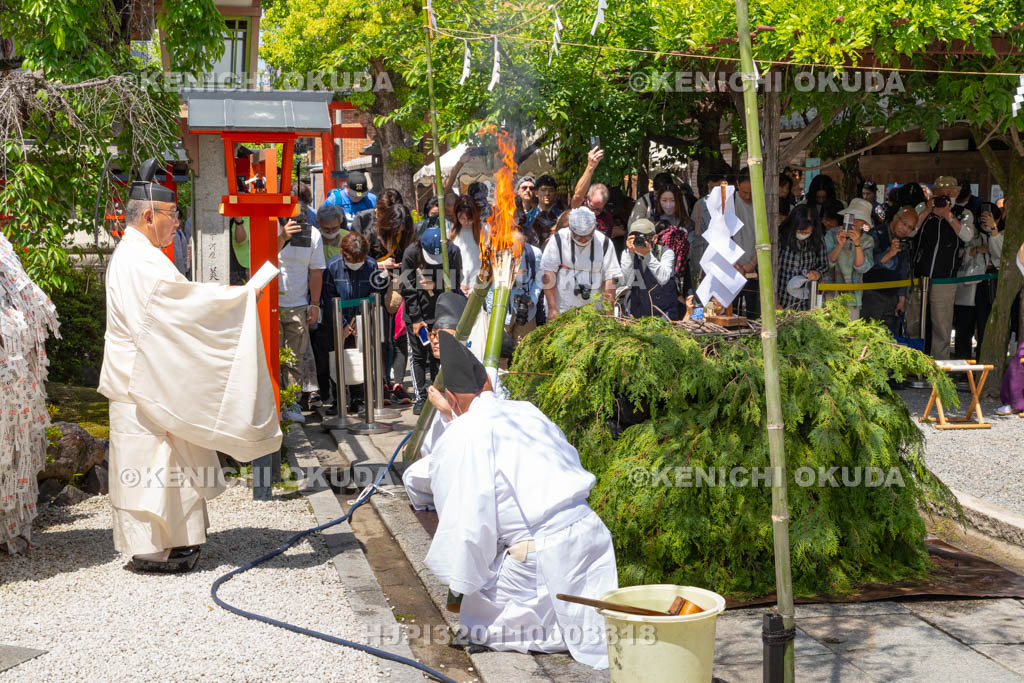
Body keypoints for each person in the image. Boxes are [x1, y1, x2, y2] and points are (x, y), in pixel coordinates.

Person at [98, 159, 281, 572]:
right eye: (172, 216)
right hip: (142, 378)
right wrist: (233, 299)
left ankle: (178, 540)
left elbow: (177, 303)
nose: (176, 225)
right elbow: (177, 308)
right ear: (148, 216)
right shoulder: (139, 258)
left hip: (149, 374)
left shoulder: (140, 254)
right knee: (152, 461)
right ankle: (154, 546)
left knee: (171, 456)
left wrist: (227, 298)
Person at [420, 332, 617, 668]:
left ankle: (543, 633)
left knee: (476, 622)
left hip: (541, 553)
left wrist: (467, 573)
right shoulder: (526, 410)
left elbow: (468, 517)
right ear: (487, 385)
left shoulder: (465, 434)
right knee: (587, 621)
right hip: (592, 536)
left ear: (451, 400)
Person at [401, 291, 471, 510]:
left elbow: (480, 426)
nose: (435, 340)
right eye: (433, 334)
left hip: (469, 457)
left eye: (443, 335)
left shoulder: (475, 370)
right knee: (412, 476)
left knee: (415, 476)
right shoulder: (443, 368)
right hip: (444, 452)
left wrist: (448, 410)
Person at [907, 175, 975, 359]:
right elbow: (910, 231)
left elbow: (968, 237)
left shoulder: (963, 213)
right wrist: (926, 212)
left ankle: (939, 367)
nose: (943, 197)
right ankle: (913, 363)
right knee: (914, 322)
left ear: (956, 194)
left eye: (948, 193)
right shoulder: (923, 209)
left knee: (941, 325)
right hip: (919, 277)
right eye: (939, 193)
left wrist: (949, 216)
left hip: (946, 277)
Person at [400, 226, 463, 415]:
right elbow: (407, 288)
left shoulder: (453, 252)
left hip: (442, 311)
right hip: (417, 312)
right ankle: (420, 396)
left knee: (440, 355)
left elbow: (456, 282)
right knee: (419, 356)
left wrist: (439, 285)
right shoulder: (411, 253)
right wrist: (416, 318)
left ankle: (439, 394)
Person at [321, 232, 385, 415]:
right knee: (336, 358)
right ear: (343, 253)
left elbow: (374, 293)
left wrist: (359, 321)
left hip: (362, 318)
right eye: (351, 259)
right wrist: (342, 324)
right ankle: (338, 398)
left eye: (359, 259)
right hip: (337, 320)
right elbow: (329, 297)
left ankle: (358, 398)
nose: (355, 263)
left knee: (361, 357)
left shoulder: (371, 265)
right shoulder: (332, 267)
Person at [277, 201, 326, 424]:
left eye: (300, 219)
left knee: (295, 356)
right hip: (271, 301)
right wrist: (282, 238)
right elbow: (260, 257)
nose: (296, 223)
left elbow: (316, 271)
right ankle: (273, 402)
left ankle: (291, 402)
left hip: (298, 302)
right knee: (272, 355)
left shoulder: (313, 234)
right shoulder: (271, 228)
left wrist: (314, 303)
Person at [540, 207, 621, 317]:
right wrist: (552, 308)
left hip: (594, 312)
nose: (583, 239)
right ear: (570, 228)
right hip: (562, 309)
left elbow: (610, 279)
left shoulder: (605, 243)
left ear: (594, 229)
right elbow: (548, 274)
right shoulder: (558, 240)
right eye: (578, 236)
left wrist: (608, 312)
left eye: (588, 236)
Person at [307, 203, 348, 409]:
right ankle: (324, 393)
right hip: (317, 300)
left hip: (342, 300)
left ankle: (343, 393)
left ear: (340, 223)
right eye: (326, 229)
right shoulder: (312, 239)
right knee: (320, 351)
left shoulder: (348, 238)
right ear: (318, 224)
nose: (331, 233)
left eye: (334, 228)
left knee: (340, 349)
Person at [953, 201, 1003, 359]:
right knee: (964, 327)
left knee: (985, 328)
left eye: (989, 217)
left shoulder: (1001, 234)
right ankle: (962, 366)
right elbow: (960, 254)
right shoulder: (971, 232)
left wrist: (993, 230)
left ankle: (983, 364)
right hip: (967, 284)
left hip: (989, 285)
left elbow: (1000, 257)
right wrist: (974, 250)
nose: (985, 221)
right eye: (982, 218)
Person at [862, 206, 917, 336]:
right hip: (872, 294)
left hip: (892, 297)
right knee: (868, 335)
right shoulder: (875, 234)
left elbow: (904, 270)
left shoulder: (905, 242)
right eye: (904, 224)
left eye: (911, 228)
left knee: (889, 338)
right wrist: (889, 253)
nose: (906, 230)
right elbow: (866, 264)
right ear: (895, 218)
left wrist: (902, 300)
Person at [824, 199, 876, 319]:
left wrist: (857, 244)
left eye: (859, 220)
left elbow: (862, 268)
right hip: (830, 291)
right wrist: (840, 245)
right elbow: (826, 263)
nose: (854, 222)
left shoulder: (867, 240)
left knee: (850, 334)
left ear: (864, 223)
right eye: (852, 218)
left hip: (853, 297)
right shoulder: (832, 234)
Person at [619, 218, 679, 320]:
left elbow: (663, 278)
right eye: (636, 237)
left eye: (643, 237)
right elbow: (626, 283)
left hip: (664, 314)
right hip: (638, 314)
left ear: (654, 239)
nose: (639, 241)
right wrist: (630, 254)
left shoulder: (666, 253)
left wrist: (647, 255)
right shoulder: (627, 254)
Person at [776, 204, 828, 311]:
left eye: (806, 232)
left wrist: (817, 274)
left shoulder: (818, 240)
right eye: (799, 231)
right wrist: (774, 301)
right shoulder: (781, 237)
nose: (802, 234)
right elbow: (771, 271)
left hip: (806, 302)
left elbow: (824, 265)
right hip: (781, 299)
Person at [449, 195, 486, 292]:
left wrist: (477, 284)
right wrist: (457, 283)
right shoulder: (450, 230)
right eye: (462, 218)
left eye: (469, 219)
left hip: (478, 283)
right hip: (457, 284)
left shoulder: (484, 229)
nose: (466, 222)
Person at [529, 174, 564, 244]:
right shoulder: (529, 217)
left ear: (555, 193)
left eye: (551, 190)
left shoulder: (562, 216)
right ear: (536, 193)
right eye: (543, 190)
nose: (547, 193)